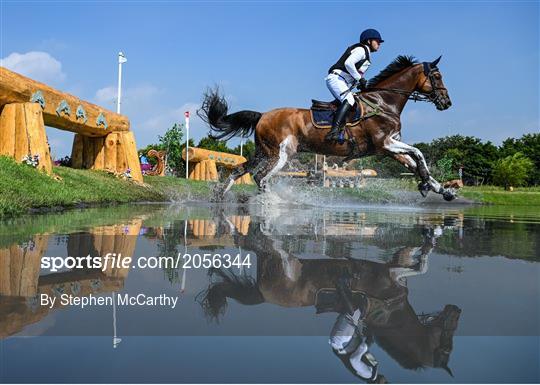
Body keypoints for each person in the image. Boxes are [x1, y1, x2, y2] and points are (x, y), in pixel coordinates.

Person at [325, 29, 384, 142]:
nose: (379, 43)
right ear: (368, 41)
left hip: (343, 81)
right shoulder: (361, 50)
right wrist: (359, 79)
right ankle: (334, 131)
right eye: (377, 41)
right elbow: (348, 63)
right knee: (349, 100)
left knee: (356, 100)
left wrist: (360, 84)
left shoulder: (366, 53)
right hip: (337, 78)